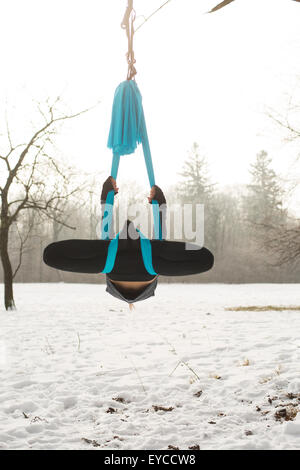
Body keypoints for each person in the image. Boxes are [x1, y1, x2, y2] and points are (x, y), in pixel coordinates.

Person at [43, 177, 214, 304]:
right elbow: (52, 255)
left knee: (202, 259)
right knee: (54, 255)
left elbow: (203, 259)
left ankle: (134, 246)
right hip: (119, 269)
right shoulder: (112, 257)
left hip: (146, 269)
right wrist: (106, 199)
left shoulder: (146, 258)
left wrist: (160, 206)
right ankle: (122, 246)